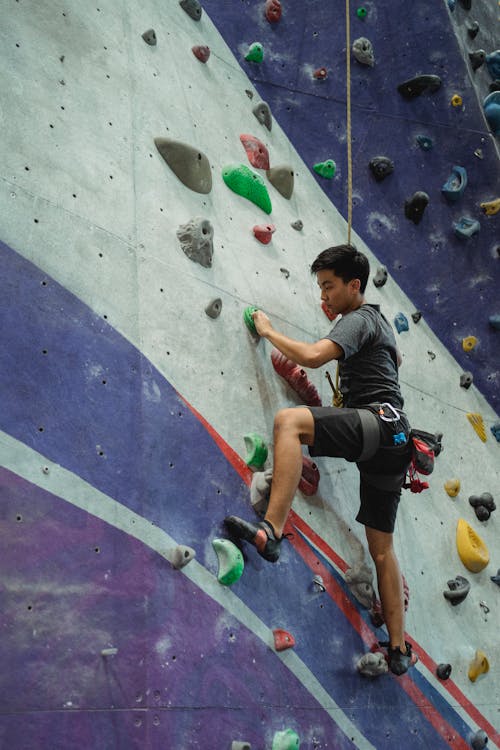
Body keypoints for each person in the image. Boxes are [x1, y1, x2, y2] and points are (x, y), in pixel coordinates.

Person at [224, 244, 414, 676]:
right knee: (382, 550)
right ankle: (399, 650)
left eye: (330, 287)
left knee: (289, 422)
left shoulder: (359, 318)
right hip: (396, 439)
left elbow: (311, 357)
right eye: (320, 288)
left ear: (355, 285)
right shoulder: (378, 324)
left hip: (377, 425)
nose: (323, 297)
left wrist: (267, 329)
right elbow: (393, 361)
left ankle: (271, 530)